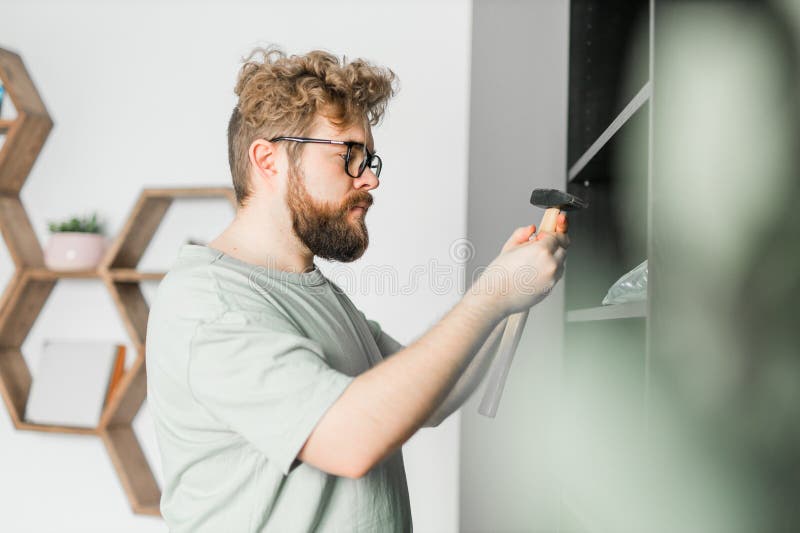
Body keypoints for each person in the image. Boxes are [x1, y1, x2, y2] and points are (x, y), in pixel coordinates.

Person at [145, 46, 570, 533]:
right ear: (268, 160)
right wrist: (493, 293)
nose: (369, 179)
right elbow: (350, 440)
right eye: (348, 154)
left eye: (369, 158)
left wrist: (509, 292)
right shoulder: (209, 304)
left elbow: (428, 394)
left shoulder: (308, 289)